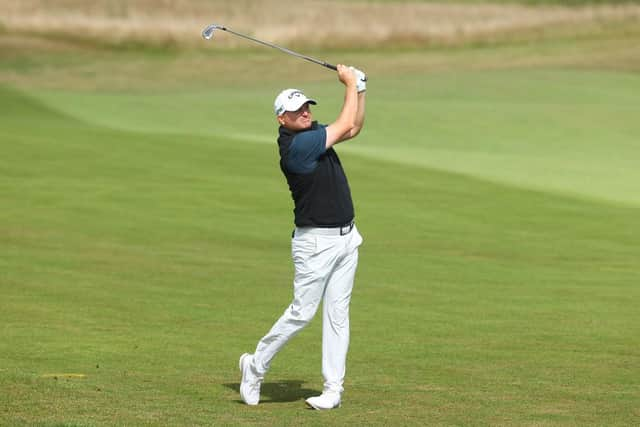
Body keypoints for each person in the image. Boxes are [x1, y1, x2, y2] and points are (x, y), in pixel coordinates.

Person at [238, 65, 367, 410]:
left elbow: (352, 128)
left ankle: (332, 390)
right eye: (296, 111)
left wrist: (361, 89)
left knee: (338, 315)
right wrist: (351, 84)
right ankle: (255, 365)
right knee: (302, 314)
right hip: (315, 244)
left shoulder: (311, 133)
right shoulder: (296, 148)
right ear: (282, 119)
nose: (305, 113)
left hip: (346, 238)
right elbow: (343, 124)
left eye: (307, 106)